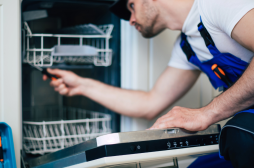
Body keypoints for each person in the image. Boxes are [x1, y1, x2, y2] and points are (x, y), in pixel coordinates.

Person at [43, 0, 254, 167]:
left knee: (240, 136)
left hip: (243, 130)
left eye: (131, 7)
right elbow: (149, 103)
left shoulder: (216, 5)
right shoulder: (187, 47)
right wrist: (81, 85)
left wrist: (207, 113)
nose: (131, 20)